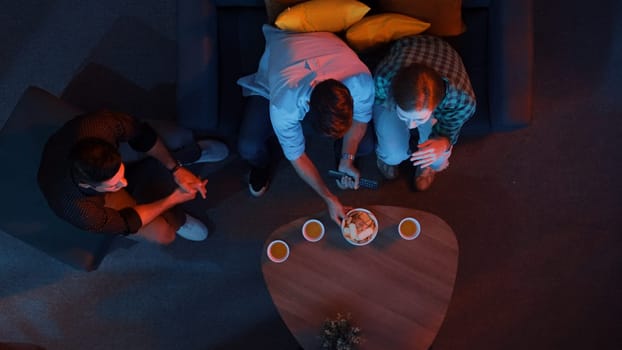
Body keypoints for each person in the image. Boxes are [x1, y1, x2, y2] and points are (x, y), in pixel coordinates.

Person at [236, 24, 375, 225]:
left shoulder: (360, 80)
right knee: (248, 146)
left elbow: (361, 119)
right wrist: (328, 197)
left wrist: (348, 157)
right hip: (279, 68)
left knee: (366, 145)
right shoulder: (285, 104)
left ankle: (341, 159)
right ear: (307, 110)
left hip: (324, 35)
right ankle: (262, 165)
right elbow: (297, 155)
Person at [37, 110, 228, 244]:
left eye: (120, 174)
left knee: (176, 137)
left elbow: (142, 135)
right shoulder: (79, 210)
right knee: (164, 234)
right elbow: (126, 222)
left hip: (106, 156)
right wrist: (173, 199)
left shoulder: (100, 125)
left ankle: (186, 156)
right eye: (114, 184)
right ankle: (176, 219)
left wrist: (175, 169)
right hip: (95, 201)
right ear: (86, 184)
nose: (124, 182)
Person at [372, 35, 476, 191]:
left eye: (418, 119)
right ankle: (388, 158)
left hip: (443, 52)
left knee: (438, 160)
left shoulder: (462, 102)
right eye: (405, 117)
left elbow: (450, 129)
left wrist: (444, 143)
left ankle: (428, 166)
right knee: (392, 154)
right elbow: (380, 101)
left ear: (435, 107)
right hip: (405, 48)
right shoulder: (383, 80)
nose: (411, 126)